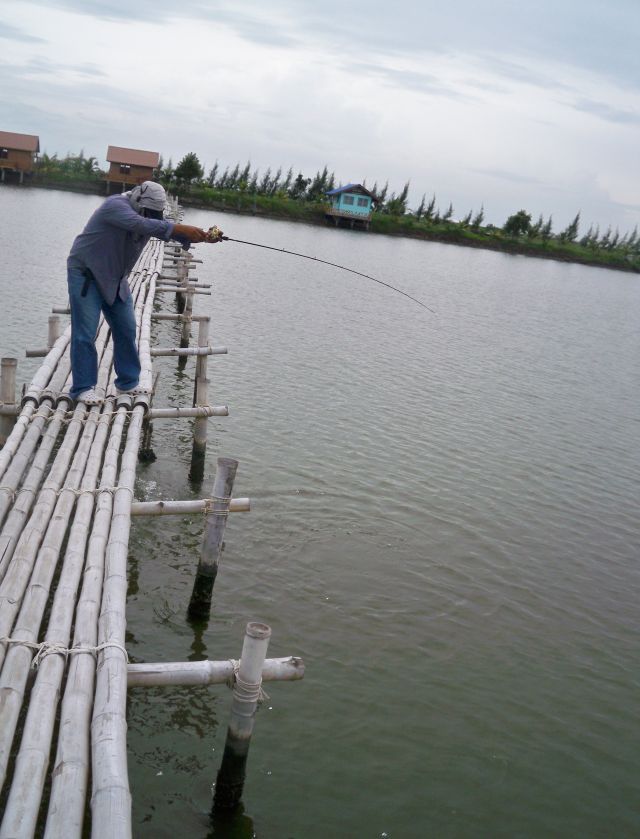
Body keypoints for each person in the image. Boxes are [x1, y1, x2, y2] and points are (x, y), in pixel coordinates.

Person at [66, 181, 219, 404]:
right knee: (85, 333)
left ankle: (127, 383)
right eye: (149, 212)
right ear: (138, 201)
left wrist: (203, 236)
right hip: (86, 273)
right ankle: (82, 388)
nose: (153, 217)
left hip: (116, 278)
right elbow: (141, 224)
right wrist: (175, 228)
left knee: (127, 328)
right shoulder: (115, 206)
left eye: (156, 214)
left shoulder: (150, 219)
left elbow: (161, 227)